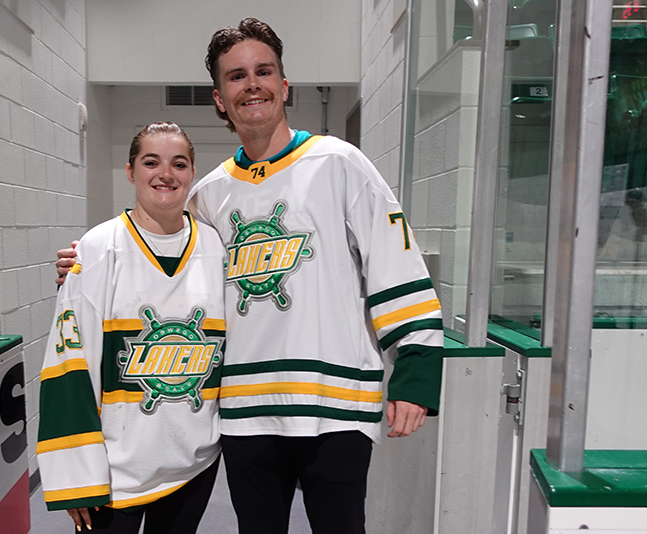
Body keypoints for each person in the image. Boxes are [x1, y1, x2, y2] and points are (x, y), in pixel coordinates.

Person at [57, 18, 443, 534]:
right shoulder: (209, 194)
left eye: (264, 71)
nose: (252, 84)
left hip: (336, 405)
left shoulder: (338, 162)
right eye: (236, 77)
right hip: (245, 414)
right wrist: (87, 262)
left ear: (284, 86)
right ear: (220, 98)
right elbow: (163, 272)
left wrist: (416, 365)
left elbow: (395, 259)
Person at [39, 122, 226, 534]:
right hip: (113, 473)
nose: (166, 173)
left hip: (193, 463)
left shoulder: (217, 248)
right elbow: (68, 365)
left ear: (192, 174)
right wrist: (76, 476)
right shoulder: (97, 248)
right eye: (151, 162)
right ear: (130, 171)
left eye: (179, 163)